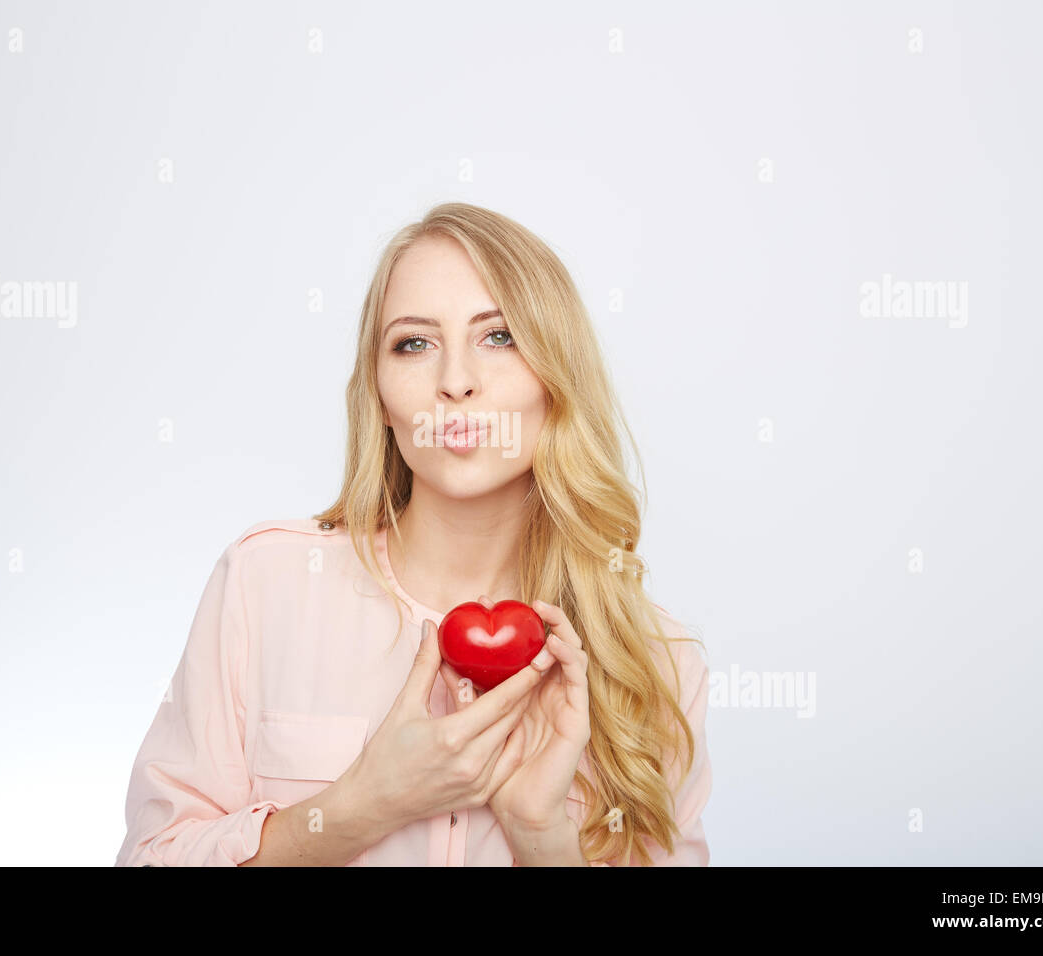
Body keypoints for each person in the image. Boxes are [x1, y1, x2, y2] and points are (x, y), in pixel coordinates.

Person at [114, 202, 712, 866]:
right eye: (414, 343)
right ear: (380, 394)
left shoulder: (656, 663)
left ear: (557, 378)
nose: (455, 383)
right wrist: (363, 804)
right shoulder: (265, 584)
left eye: (500, 336)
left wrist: (542, 839)